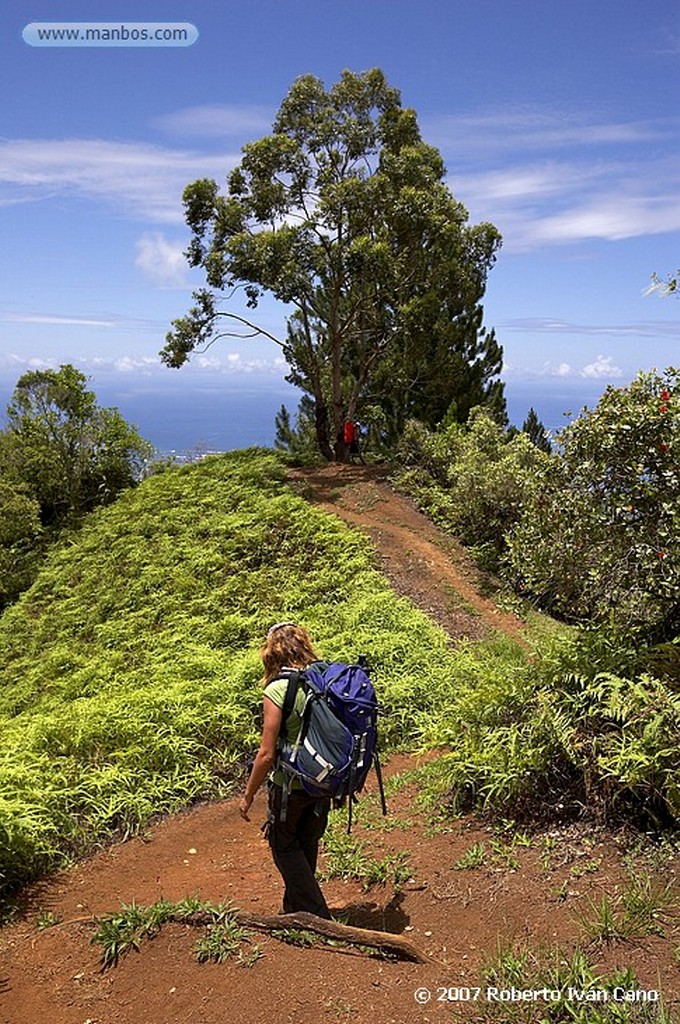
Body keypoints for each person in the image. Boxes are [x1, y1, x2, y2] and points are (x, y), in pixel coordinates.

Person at [239, 622, 332, 919]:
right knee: (305, 844)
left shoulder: (277, 689)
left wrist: (249, 794)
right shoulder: (321, 682)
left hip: (289, 784)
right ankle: (293, 910)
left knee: (283, 846)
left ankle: (317, 916)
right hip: (322, 781)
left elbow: (266, 753)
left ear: (272, 653)